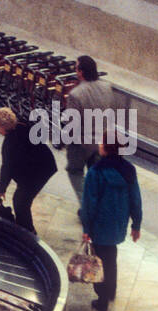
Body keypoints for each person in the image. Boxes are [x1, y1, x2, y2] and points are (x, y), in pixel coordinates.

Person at [80, 135, 141, 311]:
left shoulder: (95, 172)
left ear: (105, 148)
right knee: (111, 256)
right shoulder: (129, 170)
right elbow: (135, 198)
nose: (99, 145)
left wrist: (86, 227)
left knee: (100, 260)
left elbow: (89, 203)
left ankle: (102, 298)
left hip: (100, 223)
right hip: (118, 223)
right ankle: (111, 290)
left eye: (101, 142)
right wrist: (136, 224)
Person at [0, 106, 56, 236]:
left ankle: (28, 233)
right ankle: (25, 228)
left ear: (2, 127)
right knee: (21, 199)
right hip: (43, 165)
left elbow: (7, 168)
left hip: (39, 171)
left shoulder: (9, 143)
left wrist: (1, 190)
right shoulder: (20, 126)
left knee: (20, 201)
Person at [63, 55, 116, 201]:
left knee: (75, 172)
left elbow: (72, 124)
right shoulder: (107, 87)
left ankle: (86, 204)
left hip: (81, 143)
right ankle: (98, 202)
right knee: (96, 174)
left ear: (81, 72)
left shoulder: (75, 94)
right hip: (101, 141)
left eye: (76, 68)